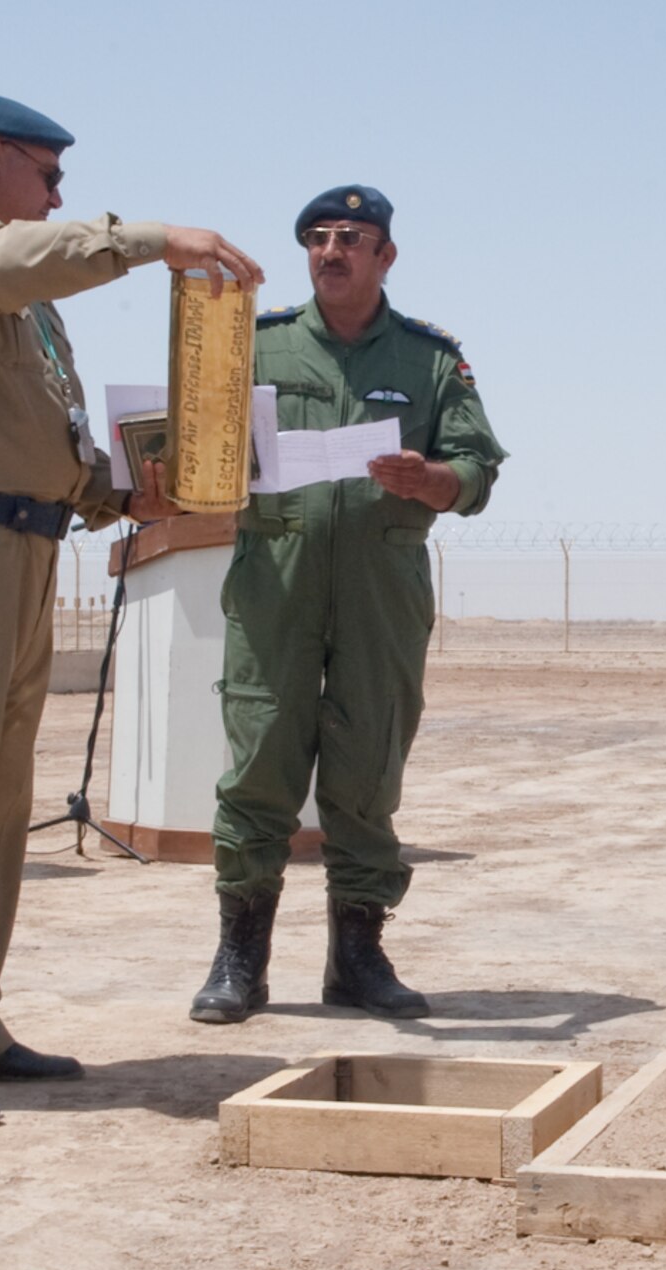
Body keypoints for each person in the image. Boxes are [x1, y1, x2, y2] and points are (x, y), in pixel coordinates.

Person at [0, 95, 262, 1128]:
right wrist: (152, 240)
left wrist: (121, 493)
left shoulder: (28, 306)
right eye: (48, 177)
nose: (59, 198)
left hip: (14, 548)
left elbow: (45, 429)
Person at [188, 185, 507, 1025]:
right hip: (275, 582)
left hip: (381, 586)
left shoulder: (430, 359)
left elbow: (476, 468)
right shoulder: (256, 345)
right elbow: (200, 447)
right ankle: (240, 959)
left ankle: (358, 957)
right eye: (319, 238)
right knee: (259, 764)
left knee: (367, 768)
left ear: (385, 256)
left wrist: (435, 480)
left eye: (352, 238)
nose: (332, 251)